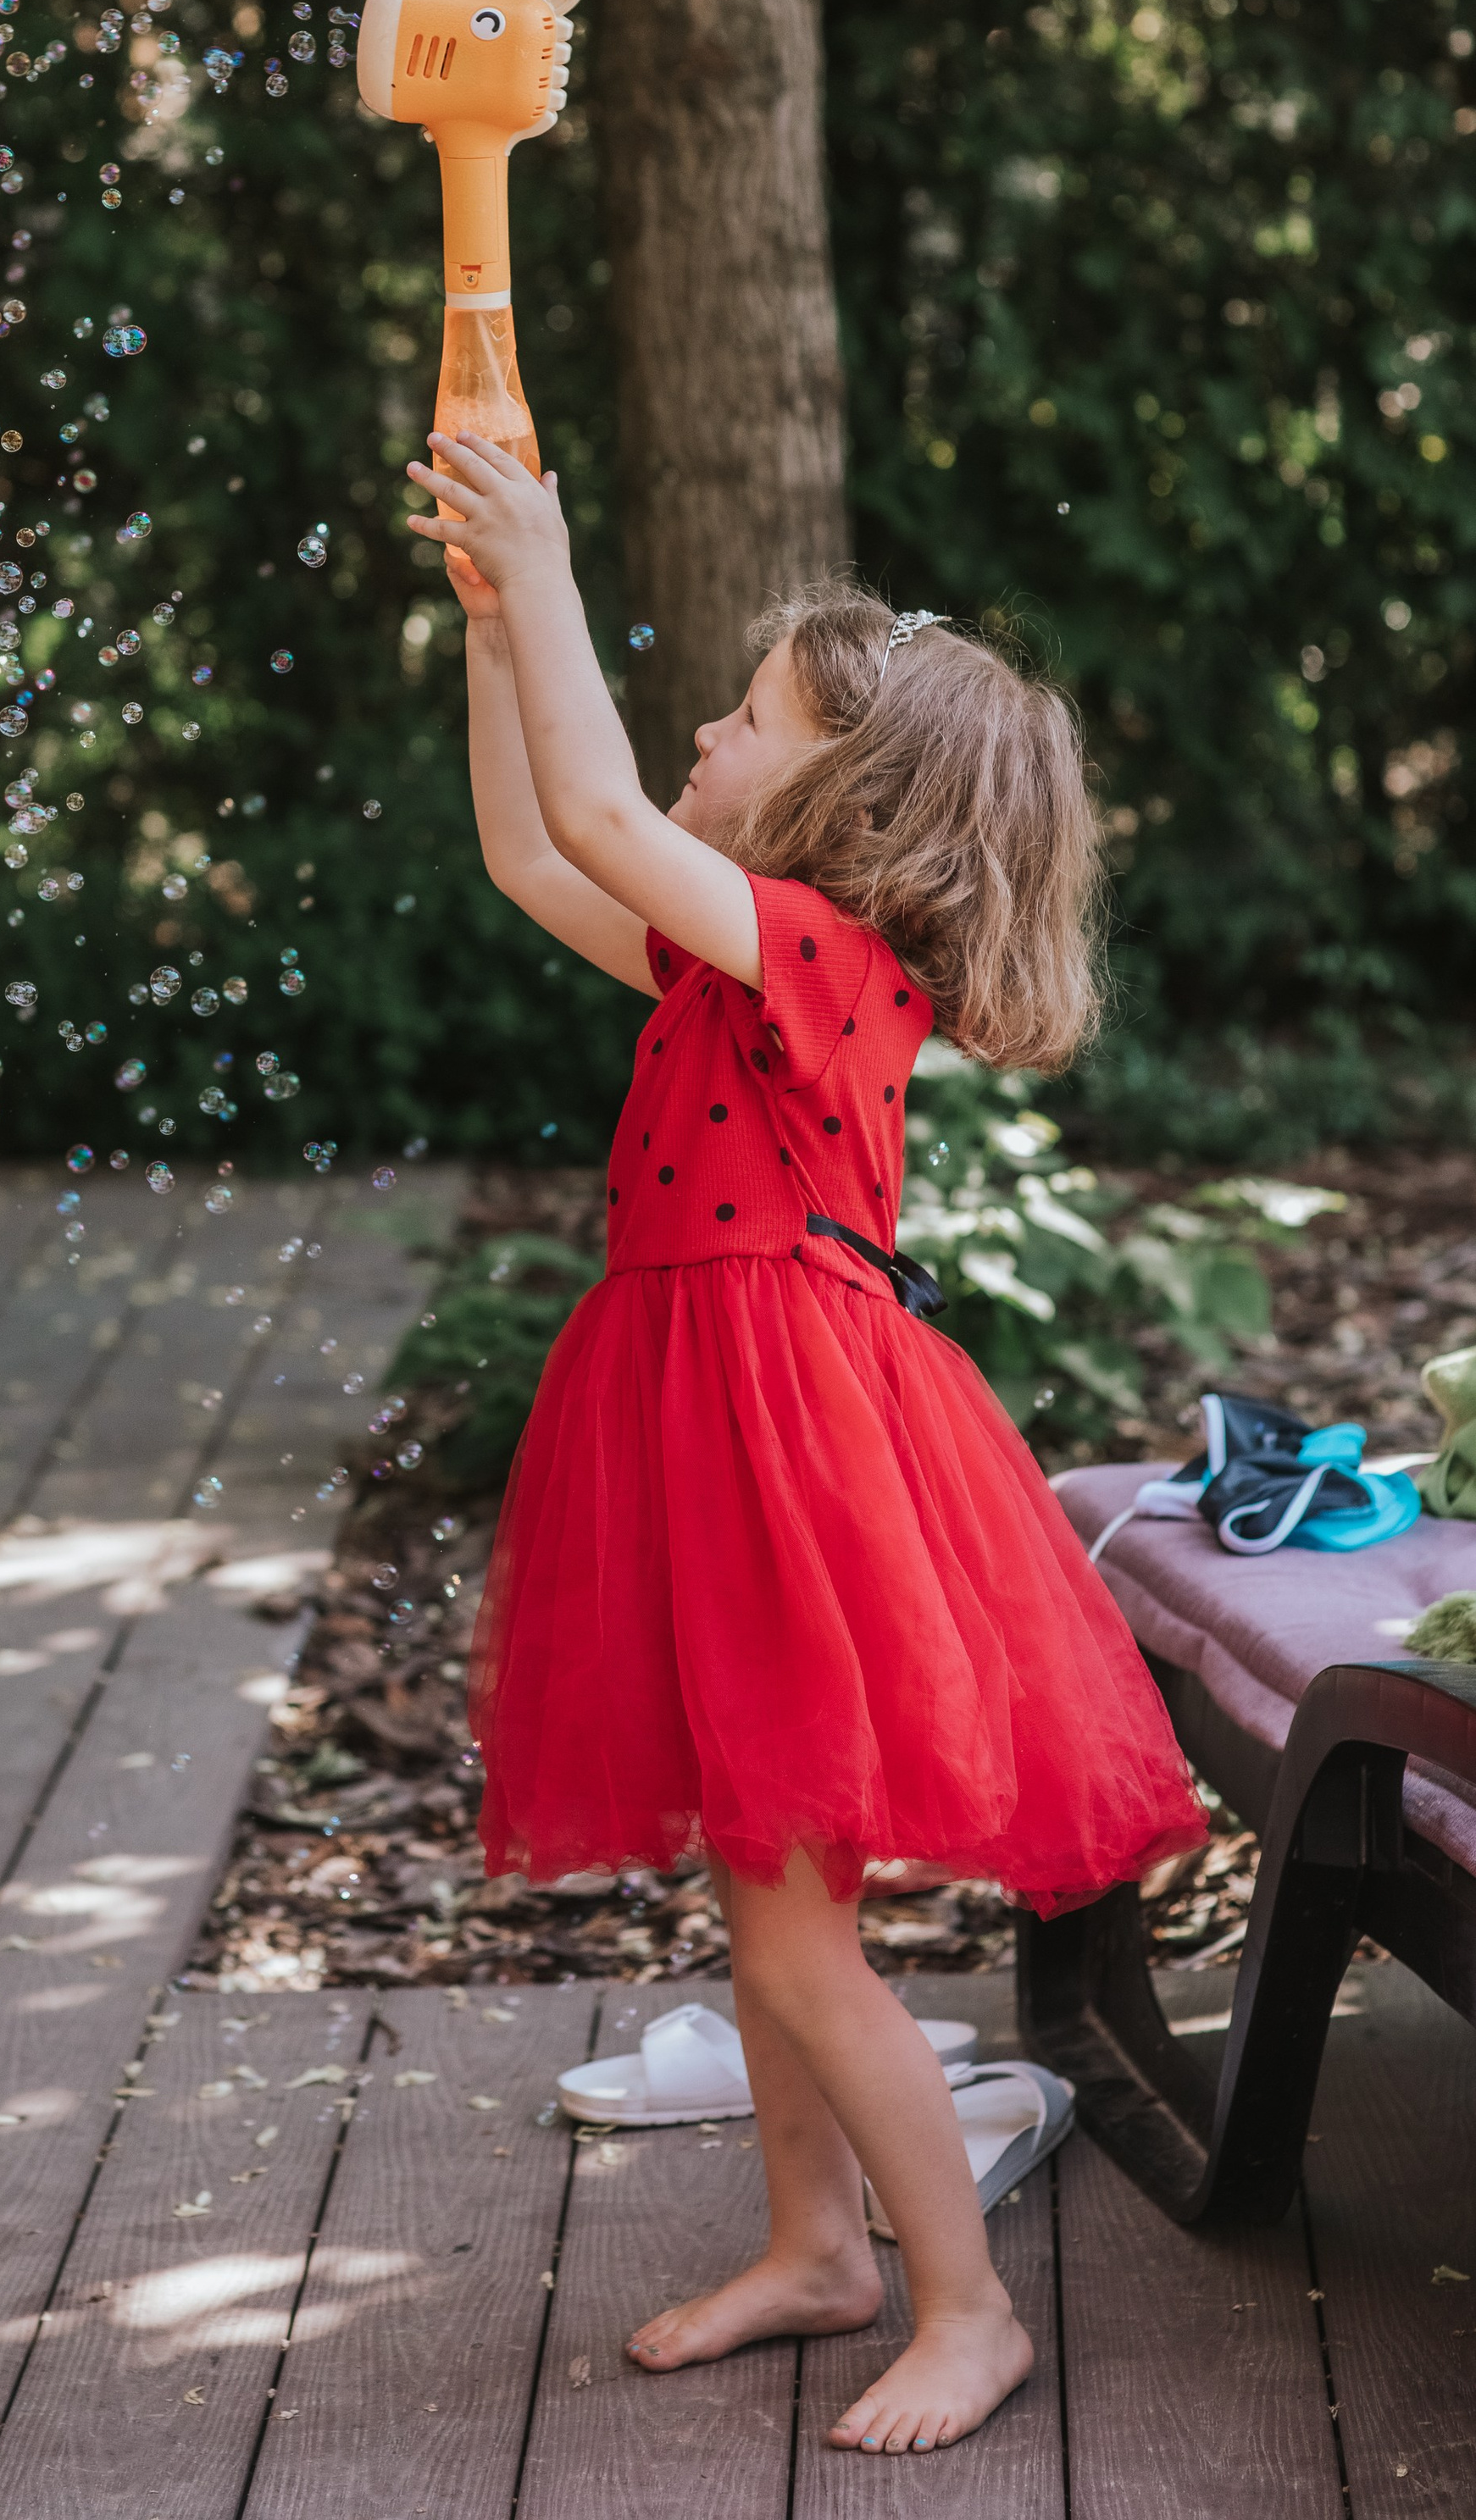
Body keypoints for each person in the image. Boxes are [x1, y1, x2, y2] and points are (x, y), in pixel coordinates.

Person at [407, 429, 1206, 2458]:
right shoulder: (721, 959)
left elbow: (597, 801)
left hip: (797, 1453)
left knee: (789, 1916)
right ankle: (816, 2248)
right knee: (763, 1888)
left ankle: (959, 2306)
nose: (693, 726)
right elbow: (531, 848)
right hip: (713, 1430)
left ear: (844, 803)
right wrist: (503, 637)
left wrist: (552, 561)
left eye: (737, 716)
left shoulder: (826, 967)